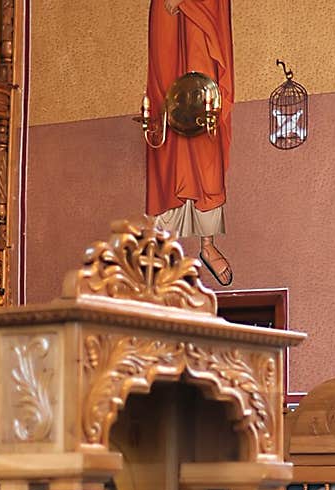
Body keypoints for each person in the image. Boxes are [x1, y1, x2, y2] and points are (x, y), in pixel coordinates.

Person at [146, 0, 235, 286]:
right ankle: (162, 243)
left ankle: (207, 244)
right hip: (168, 21)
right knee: (167, 117)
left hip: (203, 16)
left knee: (204, 123)